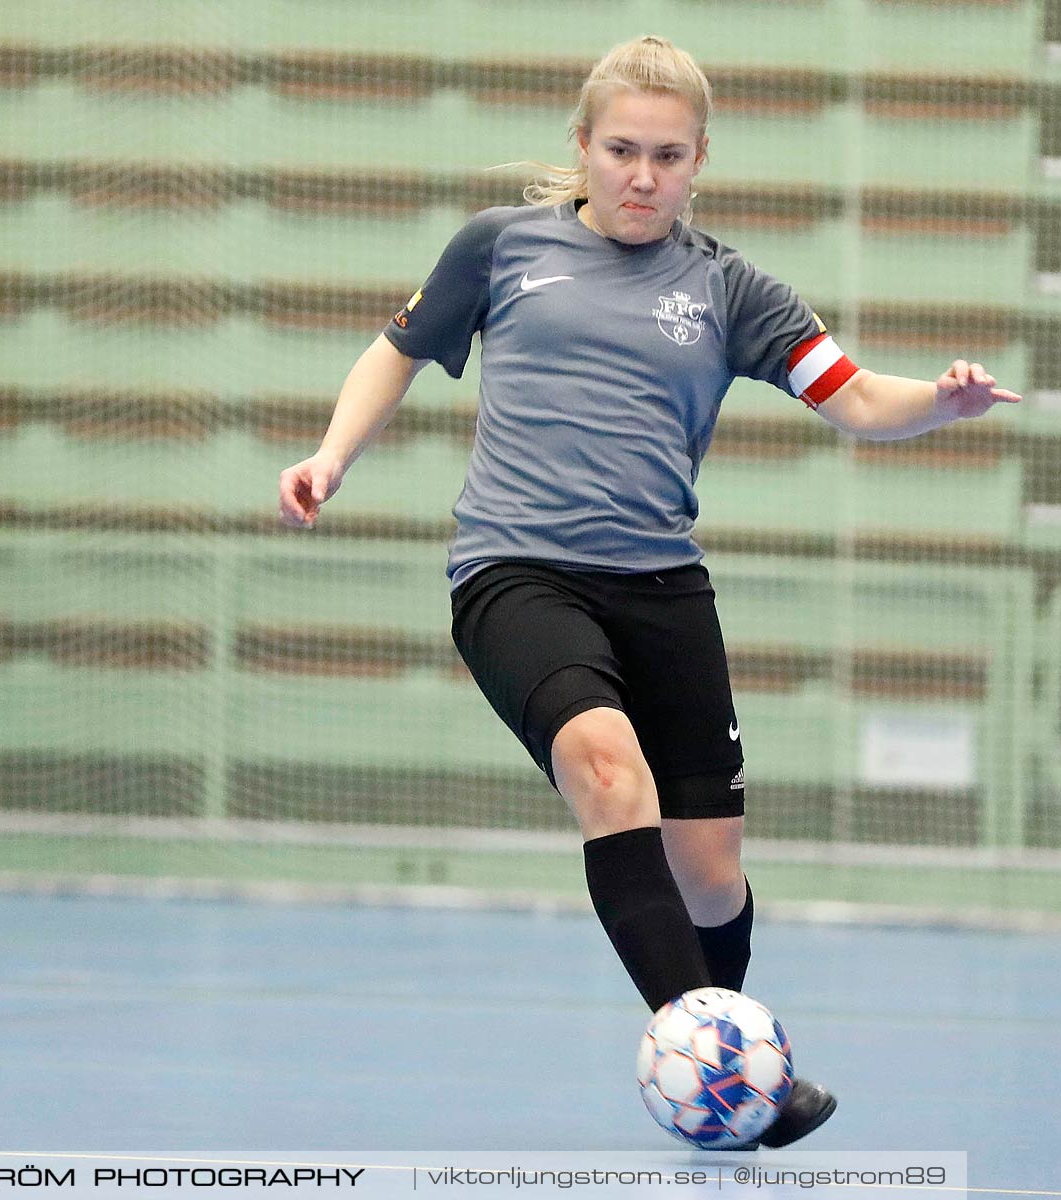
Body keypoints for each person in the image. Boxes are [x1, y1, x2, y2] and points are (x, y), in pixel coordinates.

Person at [277, 35, 1019, 1147]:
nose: (640, 174)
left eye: (666, 156)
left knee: (709, 875)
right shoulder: (500, 249)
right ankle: (726, 1073)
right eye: (620, 149)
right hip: (515, 573)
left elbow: (856, 396)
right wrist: (332, 456)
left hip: (661, 586)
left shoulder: (726, 287)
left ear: (698, 161)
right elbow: (395, 350)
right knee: (605, 767)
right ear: (583, 146)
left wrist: (941, 401)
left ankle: (726, 1046)